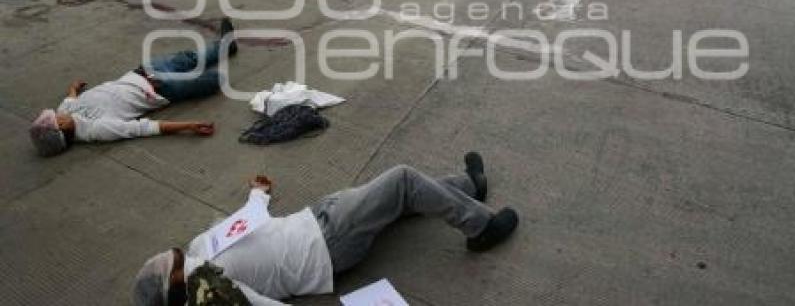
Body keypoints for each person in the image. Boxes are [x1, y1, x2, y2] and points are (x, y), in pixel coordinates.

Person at [132, 153, 519, 306]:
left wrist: (258, 197)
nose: (174, 257)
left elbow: (240, 225)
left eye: (169, 259)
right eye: (172, 269)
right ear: (178, 289)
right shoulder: (218, 289)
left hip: (315, 217)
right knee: (400, 182)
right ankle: (480, 226)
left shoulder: (199, 247)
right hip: (329, 247)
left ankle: (469, 187)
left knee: (393, 199)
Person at [28, 19, 240, 157]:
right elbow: (144, 128)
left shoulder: (65, 111)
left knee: (188, 58)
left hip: (143, 72)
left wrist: (73, 88)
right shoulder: (97, 130)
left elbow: (70, 99)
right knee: (214, 80)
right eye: (55, 120)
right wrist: (189, 125)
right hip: (162, 89)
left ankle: (225, 45)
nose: (56, 114)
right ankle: (218, 60)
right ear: (61, 128)